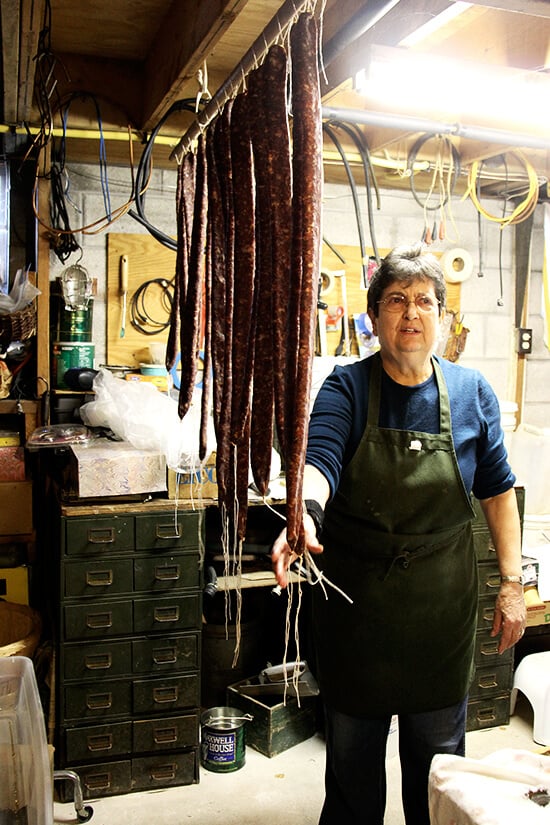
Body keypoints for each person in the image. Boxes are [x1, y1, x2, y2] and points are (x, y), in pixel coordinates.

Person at [272, 243, 526, 825]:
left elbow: (497, 492)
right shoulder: (346, 388)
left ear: (443, 315)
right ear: (373, 316)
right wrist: (305, 514)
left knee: (439, 776)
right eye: (395, 300)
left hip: (440, 618)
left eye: (424, 301)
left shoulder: (472, 393)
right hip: (357, 614)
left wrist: (512, 584)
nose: (411, 312)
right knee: (353, 773)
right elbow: (321, 457)